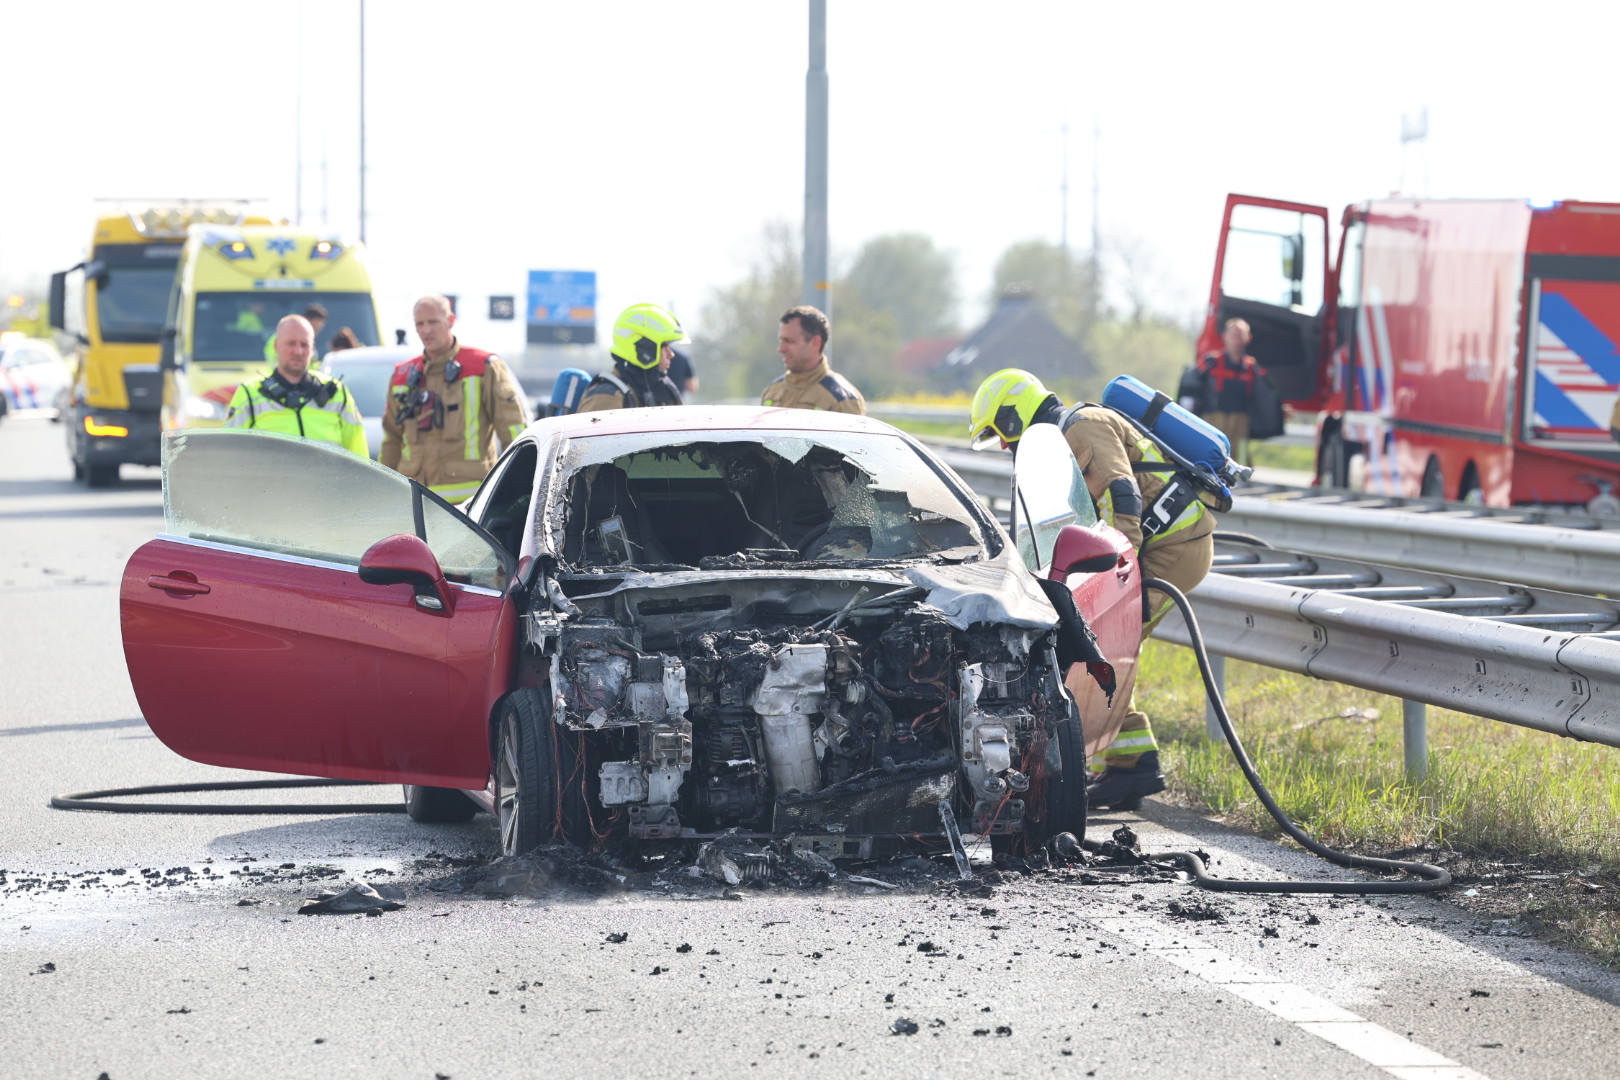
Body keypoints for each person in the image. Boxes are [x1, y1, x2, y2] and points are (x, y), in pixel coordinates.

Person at [968, 368, 1217, 810]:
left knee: (1101, 649)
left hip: (1172, 547)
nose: (1005, 446)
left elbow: (1124, 494)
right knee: (1101, 650)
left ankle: (1131, 764)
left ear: (1013, 415)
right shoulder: (1060, 445)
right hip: (1154, 546)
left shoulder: (1083, 426)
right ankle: (1130, 761)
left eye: (1000, 434)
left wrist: (1119, 568)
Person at [380, 294, 529, 504]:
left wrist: (519, 489)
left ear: (450, 321)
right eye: (419, 324)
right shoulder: (402, 375)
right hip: (414, 503)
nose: (426, 330)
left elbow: (513, 433)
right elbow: (391, 442)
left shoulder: (484, 367)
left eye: (433, 322)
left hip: (471, 505)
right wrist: (383, 492)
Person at [224, 314, 367, 457]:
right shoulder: (249, 394)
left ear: (312, 350)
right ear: (276, 346)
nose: (298, 351)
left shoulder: (337, 393)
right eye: (291, 343)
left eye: (304, 345)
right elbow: (229, 455)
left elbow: (359, 455)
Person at [576, 303, 686, 412]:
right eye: (665, 347)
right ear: (645, 348)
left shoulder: (657, 390)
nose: (671, 354)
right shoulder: (607, 397)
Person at [761, 305, 865, 415]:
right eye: (781, 341)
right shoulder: (772, 392)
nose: (781, 349)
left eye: (789, 341)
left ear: (815, 343)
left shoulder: (842, 400)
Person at [1194, 318, 1260, 464]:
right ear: (1225, 336)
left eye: (1241, 334)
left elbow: (1263, 395)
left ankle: (1239, 484)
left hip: (1241, 421)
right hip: (1213, 418)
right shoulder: (1211, 361)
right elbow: (1193, 387)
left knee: (1238, 459)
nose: (1237, 338)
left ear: (1248, 338)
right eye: (1233, 334)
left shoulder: (1252, 367)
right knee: (1209, 456)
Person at [264, 303, 328, 363]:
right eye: (314, 327)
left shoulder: (308, 342)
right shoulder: (279, 338)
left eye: (319, 329)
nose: (315, 332)